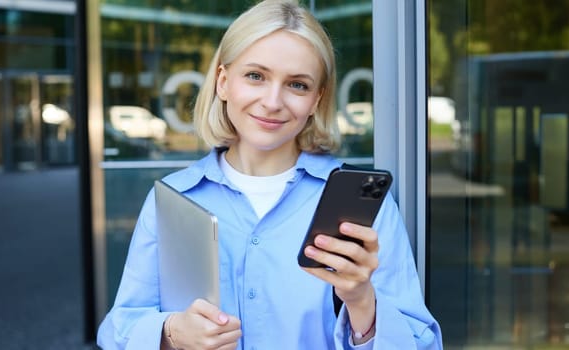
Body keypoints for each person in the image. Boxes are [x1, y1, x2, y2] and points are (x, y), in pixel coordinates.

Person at [97, 0, 442, 349]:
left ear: (316, 100)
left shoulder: (366, 208)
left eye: (297, 85)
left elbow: (422, 343)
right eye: (255, 76)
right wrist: (170, 333)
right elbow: (118, 331)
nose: (273, 101)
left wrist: (361, 300)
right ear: (222, 82)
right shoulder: (172, 200)